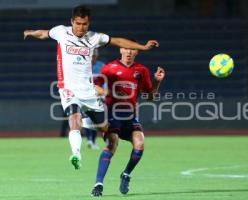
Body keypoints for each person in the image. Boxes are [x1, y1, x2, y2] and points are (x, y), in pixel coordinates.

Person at [23, 5, 159, 170]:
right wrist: (31, 33)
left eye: (85, 24)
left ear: (88, 23)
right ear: (72, 21)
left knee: (106, 130)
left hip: (89, 92)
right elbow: (44, 33)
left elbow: (118, 41)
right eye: (78, 23)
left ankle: (120, 136)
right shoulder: (61, 32)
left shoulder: (94, 37)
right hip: (68, 88)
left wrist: (143, 47)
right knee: (74, 120)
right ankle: (76, 154)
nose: (81, 28)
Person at [91, 42, 165, 197]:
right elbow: (94, 86)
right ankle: (98, 184)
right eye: (126, 49)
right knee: (112, 144)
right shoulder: (109, 68)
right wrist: (105, 91)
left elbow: (150, 97)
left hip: (130, 116)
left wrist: (157, 81)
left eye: (133, 49)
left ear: (137, 52)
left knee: (140, 144)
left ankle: (126, 174)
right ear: (121, 49)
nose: (129, 52)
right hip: (112, 115)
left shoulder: (141, 70)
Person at [82, 48, 106, 150]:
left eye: (95, 53)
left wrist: (104, 94)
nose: (94, 55)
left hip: (98, 96)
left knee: (96, 119)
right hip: (86, 96)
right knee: (88, 118)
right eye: (92, 53)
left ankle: (92, 141)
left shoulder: (102, 66)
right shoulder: (83, 66)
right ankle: (89, 140)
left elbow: (106, 81)